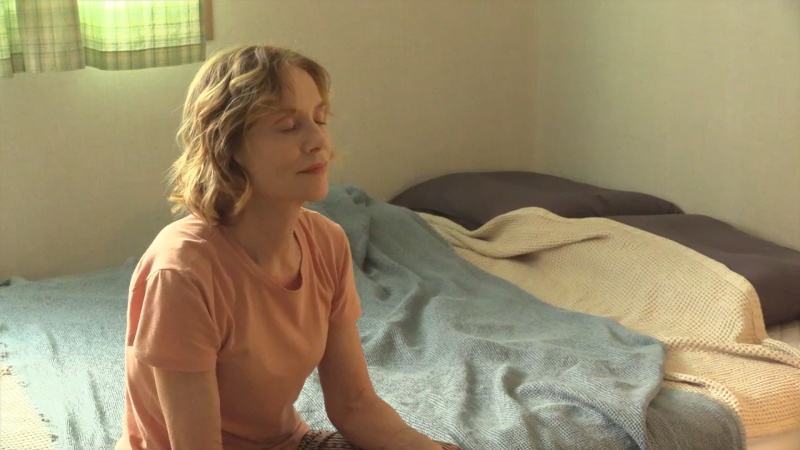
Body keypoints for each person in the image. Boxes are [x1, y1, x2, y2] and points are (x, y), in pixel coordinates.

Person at [116, 45, 460, 450]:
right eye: (287, 126)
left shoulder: (327, 243)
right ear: (227, 146)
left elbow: (355, 405)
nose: (318, 141)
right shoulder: (182, 273)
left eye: (320, 119)